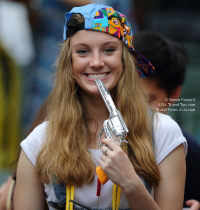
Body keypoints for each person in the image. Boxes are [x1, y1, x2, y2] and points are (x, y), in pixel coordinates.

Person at [14, 4, 187, 210]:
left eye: (109, 50)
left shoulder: (163, 133)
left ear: (126, 59)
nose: (96, 62)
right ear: (68, 63)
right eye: (83, 51)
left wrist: (131, 184)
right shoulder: (40, 141)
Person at [134, 30, 200, 209]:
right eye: (128, 96)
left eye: (149, 99)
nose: (135, 108)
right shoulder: (91, 137)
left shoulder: (190, 155)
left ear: (174, 95)